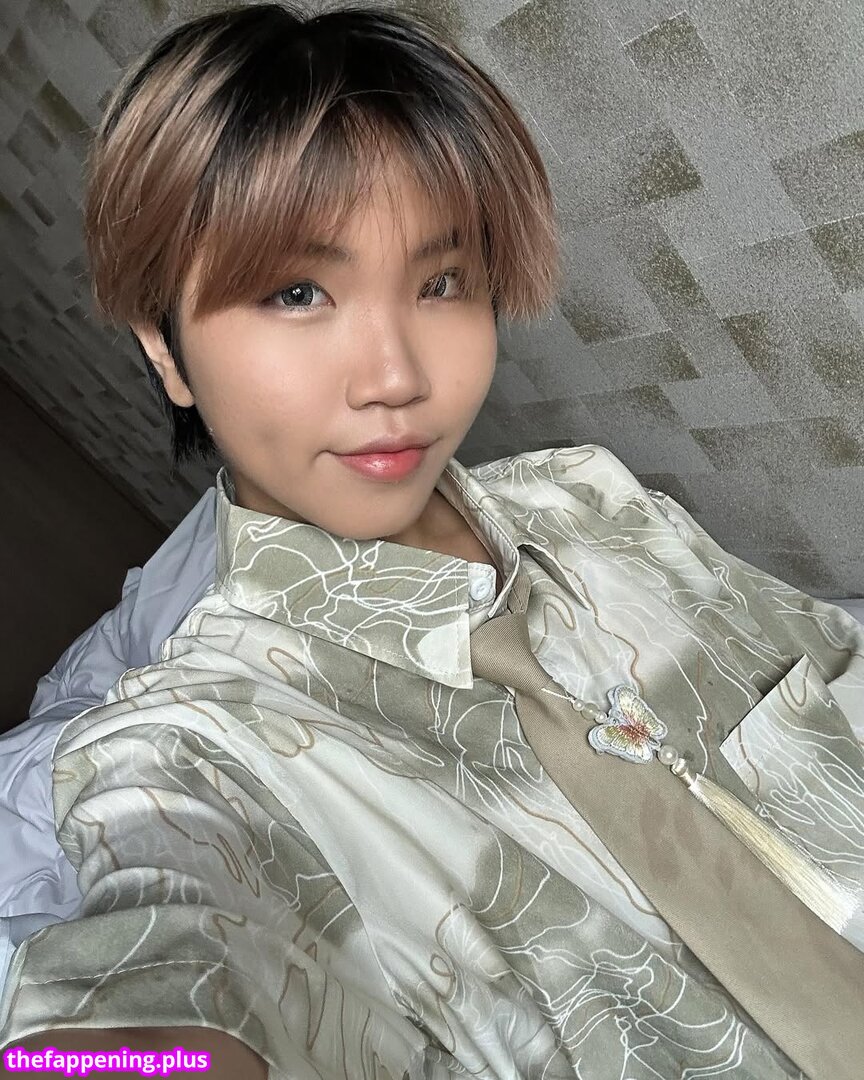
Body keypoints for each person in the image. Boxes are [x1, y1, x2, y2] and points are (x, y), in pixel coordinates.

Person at [1, 3, 863, 1078]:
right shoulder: (189, 749)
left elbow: (823, 661)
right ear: (166, 353)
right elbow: (164, 974)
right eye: (297, 292)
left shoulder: (593, 494)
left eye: (441, 283)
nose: (396, 376)